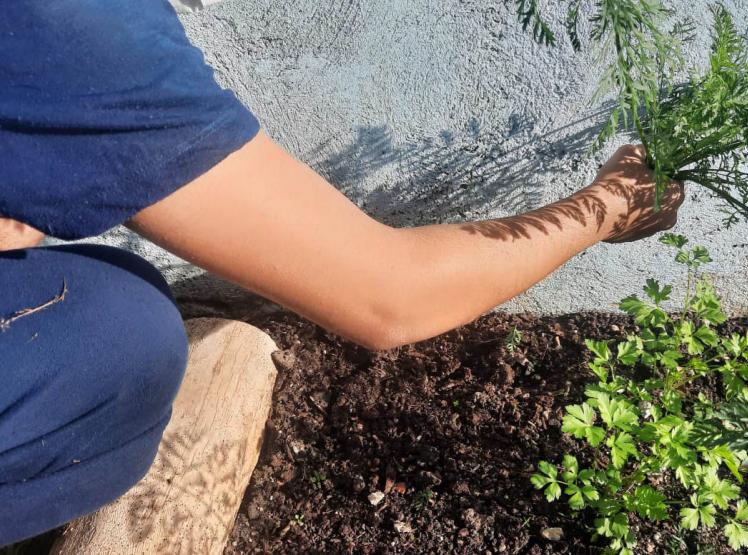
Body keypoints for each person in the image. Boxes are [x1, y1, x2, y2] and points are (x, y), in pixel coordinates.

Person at [0, 0, 683, 546]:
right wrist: (607, 206)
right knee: (119, 345)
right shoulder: (75, 30)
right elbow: (390, 298)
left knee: (103, 306)